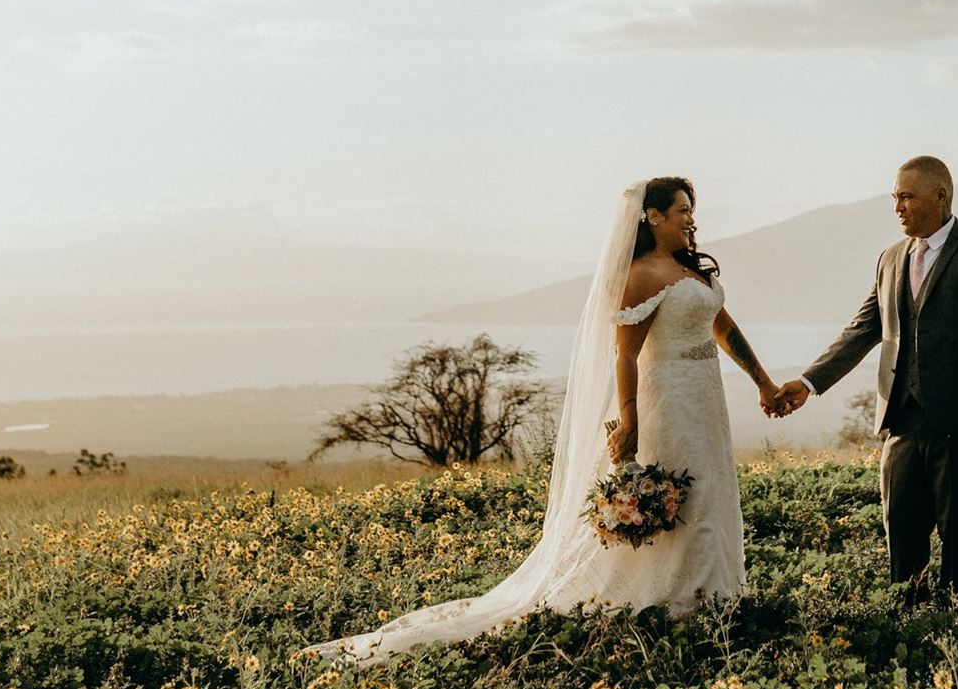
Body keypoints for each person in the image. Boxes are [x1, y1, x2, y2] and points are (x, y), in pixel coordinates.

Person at [305, 176, 772, 661]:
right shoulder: (641, 276)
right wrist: (629, 423)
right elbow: (625, 356)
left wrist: (763, 382)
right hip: (667, 403)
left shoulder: (692, 271)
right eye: (681, 210)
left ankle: (717, 597)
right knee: (684, 495)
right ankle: (679, 604)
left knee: (713, 490)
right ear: (652, 217)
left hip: (706, 400)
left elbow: (723, 326)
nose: (690, 217)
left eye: (691, 209)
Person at [770, 156, 958, 607]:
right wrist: (808, 383)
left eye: (907, 196)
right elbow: (863, 329)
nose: (898, 207)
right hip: (900, 421)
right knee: (901, 532)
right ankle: (909, 625)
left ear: (940, 195)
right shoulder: (890, 258)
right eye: (895, 198)